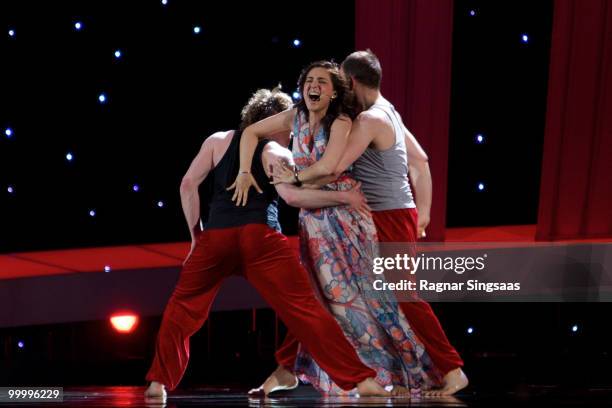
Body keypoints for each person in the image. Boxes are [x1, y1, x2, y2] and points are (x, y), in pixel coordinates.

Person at [144, 88, 388, 401]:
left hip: (215, 239)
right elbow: (291, 196)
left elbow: (188, 184)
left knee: (182, 311)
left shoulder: (217, 141)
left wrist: (196, 236)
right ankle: (360, 381)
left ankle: (157, 384)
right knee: (306, 309)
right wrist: (343, 196)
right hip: (259, 239)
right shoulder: (275, 150)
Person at [230, 61, 441, 396]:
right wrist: (244, 171)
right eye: (309, 81)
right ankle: (293, 371)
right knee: (317, 299)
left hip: (345, 219)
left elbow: (331, 168)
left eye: (322, 82)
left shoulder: (345, 121)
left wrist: (297, 180)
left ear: (335, 91)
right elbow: (251, 132)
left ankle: (406, 372)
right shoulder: (295, 116)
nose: (314, 86)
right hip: (314, 222)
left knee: (367, 300)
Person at [272, 50, 468, 396]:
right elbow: (420, 161)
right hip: (390, 214)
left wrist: (293, 181)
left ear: (349, 82)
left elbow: (333, 169)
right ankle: (287, 366)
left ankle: (452, 369)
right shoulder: (387, 110)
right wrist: (423, 213)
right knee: (327, 287)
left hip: (384, 215)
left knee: (398, 293)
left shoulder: (367, 121)